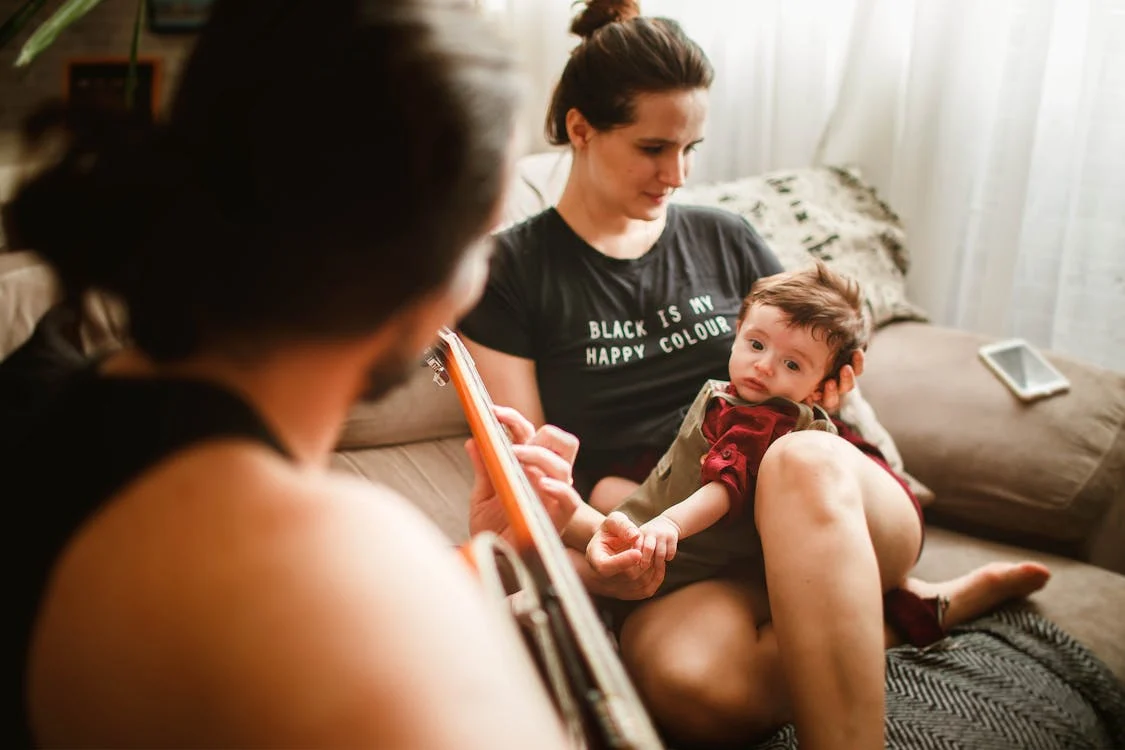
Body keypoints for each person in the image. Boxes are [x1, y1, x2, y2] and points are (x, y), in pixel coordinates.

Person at [459, 1, 1051, 747]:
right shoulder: (511, 272)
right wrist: (596, 571)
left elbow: (822, 360)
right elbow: (532, 479)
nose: (676, 174)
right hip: (682, 544)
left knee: (796, 456)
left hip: (821, 499)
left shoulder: (724, 237)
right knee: (687, 685)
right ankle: (902, 614)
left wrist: (836, 403)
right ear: (580, 129)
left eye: (690, 147)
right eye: (652, 147)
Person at [5, 1, 586, 747]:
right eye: (484, 240)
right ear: (416, 267)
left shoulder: (44, 396)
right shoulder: (327, 553)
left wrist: (474, 571)